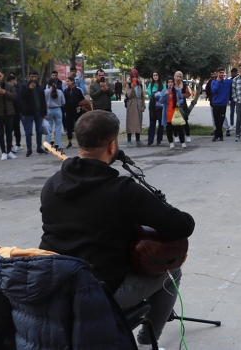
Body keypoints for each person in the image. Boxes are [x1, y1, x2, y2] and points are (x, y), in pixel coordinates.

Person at [38, 110, 194, 349]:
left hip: (55, 283)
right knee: (171, 274)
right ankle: (145, 343)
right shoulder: (122, 190)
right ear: (112, 146)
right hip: (99, 289)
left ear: (80, 143)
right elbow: (182, 226)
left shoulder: (52, 183)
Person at [0, 68, 18, 160]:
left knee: (9, 132)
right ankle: (3, 152)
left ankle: (9, 150)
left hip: (9, 112)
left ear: (3, 75)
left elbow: (14, 97)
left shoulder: (9, 85)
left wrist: (5, 92)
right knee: (1, 133)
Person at [21, 71, 48, 157]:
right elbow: (22, 97)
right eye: (32, 76)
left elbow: (43, 101)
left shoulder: (40, 87)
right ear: (29, 77)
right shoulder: (24, 86)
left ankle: (39, 148)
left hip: (39, 112)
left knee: (39, 131)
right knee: (28, 132)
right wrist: (29, 89)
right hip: (28, 113)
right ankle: (29, 149)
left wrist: (44, 113)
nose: (33, 78)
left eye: (35, 76)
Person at [160, 76, 187, 148]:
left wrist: (179, 102)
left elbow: (182, 99)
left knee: (179, 128)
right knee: (169, 129)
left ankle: (182, 142)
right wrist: (166, 94)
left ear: (173, 83)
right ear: (166, 83)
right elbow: (161, 101)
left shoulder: (177, 90)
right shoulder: (164, 91)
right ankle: (171, 143)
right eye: (168, 82)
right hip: (168, 112)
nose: (170, 84)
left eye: (171, 82)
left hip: (176, 112)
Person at [125, 69, 146, 147]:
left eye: (136, 77)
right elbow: (129, 96)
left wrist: (143, 106)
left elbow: (142, 97)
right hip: (131, 105)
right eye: (133, 77)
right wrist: (132, 88)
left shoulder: (140, 85)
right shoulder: (128, 85)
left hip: (139, 104)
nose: (134, 78)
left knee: (138, 123)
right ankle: (129, 140)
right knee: (130, 123)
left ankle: (138, 140)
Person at [63, 76, 85, 149]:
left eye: (68, 81)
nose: (67, 83)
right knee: (69, 125)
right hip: (68, 109)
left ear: (72, 81)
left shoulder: (78, 90)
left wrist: (80, 106)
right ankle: (69, 141)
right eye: (66, 81)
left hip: (76, 108)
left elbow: (82, 99)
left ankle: (80, 141)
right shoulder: (66, 91)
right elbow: (64, 101)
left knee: (78, 124)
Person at [45, 78, 65, 147]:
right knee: (58, 128)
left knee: (48, 128)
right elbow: (63, 102)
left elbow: (43, 102)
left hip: (49, 110)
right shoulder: (60, 92)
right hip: (58, 109)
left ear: (48, 85)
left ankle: (47, 145)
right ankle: (58, 145)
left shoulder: (46, 92)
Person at [6, 75, 24, 153]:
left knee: (16, 128)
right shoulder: (8, 89)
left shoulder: (18, 88)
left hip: (16, 110)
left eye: (13, 81)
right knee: (10, 129)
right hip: (10, 111)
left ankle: (18, 144)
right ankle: (10, 145)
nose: (12, 82)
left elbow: (20, 100)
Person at [147, 71, 165, 146]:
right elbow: (150, 95)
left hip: (161, 107)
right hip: (152, 107)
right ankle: (150, 141)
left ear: (159, 76)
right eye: (154, 75)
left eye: (156, 75)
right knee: (152, 124)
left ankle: (159, 140)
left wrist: (157, 94)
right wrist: (158, 94)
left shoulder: (163, 85)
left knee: (161, 125)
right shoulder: (150, 86)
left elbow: (164, 94)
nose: (155, 76)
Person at [174, 71, 192, 143]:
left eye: (180, 77)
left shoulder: (184, 85)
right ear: (175, 76)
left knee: (185, 121)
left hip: (183, 105)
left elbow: (188, 94)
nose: (179, 78)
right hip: (174, 105)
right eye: (177, 76)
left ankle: (188, 136)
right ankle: (176, 136)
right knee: (175, 121)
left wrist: (180, 95)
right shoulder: (172, 84)